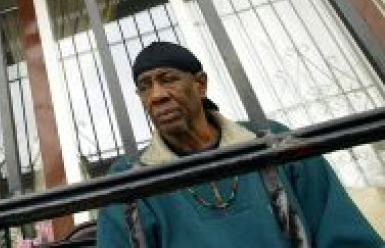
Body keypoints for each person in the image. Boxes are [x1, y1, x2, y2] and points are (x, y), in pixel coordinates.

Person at [96, 41, 383, 248]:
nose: (156, 95)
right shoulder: (131, 180)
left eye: (168, 79)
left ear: (200, 85)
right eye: (144, 87)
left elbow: (342, 232)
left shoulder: (271, 141)